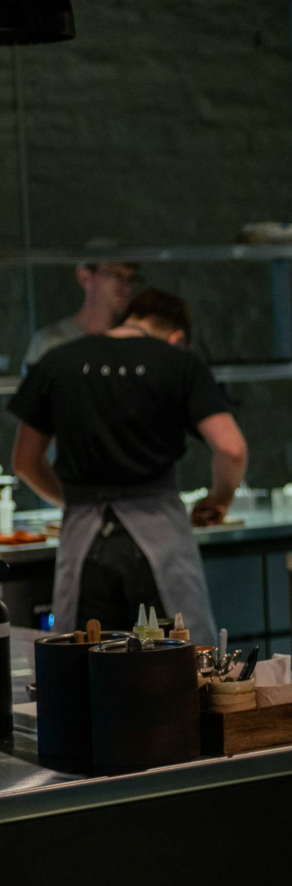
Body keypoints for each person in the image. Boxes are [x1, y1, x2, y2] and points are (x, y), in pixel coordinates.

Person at [8, 288, 246, 636]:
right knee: (174, 664)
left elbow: (25, 461)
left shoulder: (57, 361)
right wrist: (220, 498)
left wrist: (72, 501)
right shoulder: (178, 362)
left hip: (84, 536)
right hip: (159, 532)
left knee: (85, 663)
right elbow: (232, 448)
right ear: (177, 337)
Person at [23, 247, 140, 370]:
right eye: (115, 276)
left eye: (131, 279)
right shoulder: (51, 343)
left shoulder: (133, 343)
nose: (127, 289)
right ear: (85, 277)